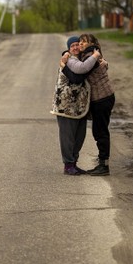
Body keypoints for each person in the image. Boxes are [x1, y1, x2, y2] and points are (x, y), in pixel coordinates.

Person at [67, 33, 115, 176]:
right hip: (101, 98)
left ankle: (104, 165)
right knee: (99, 131)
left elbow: (79, 73)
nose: (81, 44)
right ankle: (102, 163)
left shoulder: (90, 56)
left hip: (102, 98)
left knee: (101, 132)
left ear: (92, 43)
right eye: (80, 41)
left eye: (84, 42)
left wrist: (64, 64)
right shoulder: (90, 54)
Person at [51, 35, 97, 175]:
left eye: (78, 44)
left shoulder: (80, 59)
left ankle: (74, 163)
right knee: (68, 137)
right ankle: (68, 165)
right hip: (66, 106)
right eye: (72, 46)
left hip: (79, 107)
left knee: (79, 136)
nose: (76, 47)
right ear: (69, 49)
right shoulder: (70, 60)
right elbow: (77, 78)